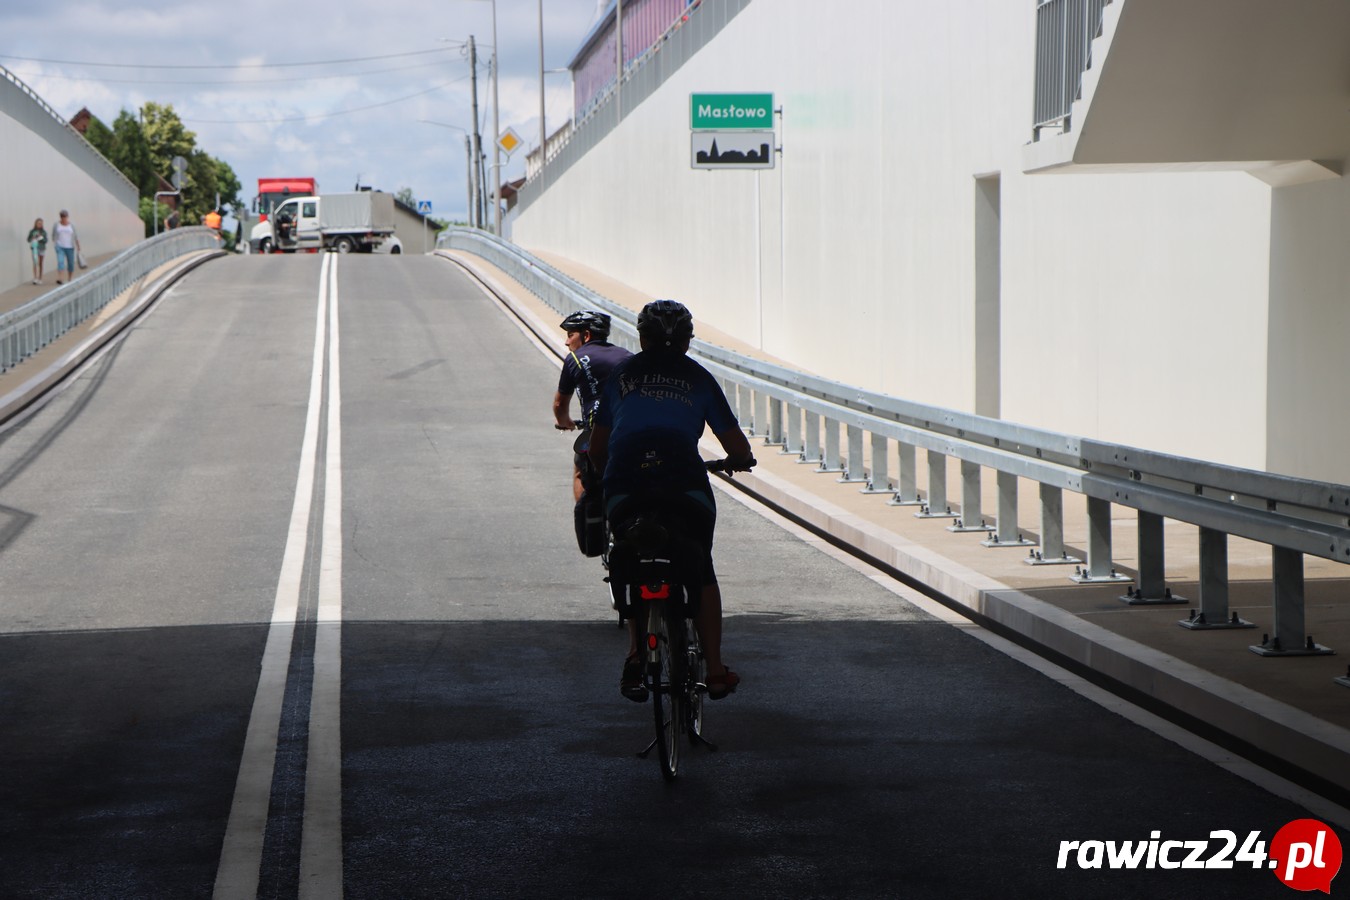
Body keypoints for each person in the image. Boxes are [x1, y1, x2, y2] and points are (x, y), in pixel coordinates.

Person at [589, 299, 755, 702]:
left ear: (642, 338)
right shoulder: (698, 378)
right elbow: (736, 444)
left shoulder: (622, 375)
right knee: (701, 568)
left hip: (627, 480)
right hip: (682, 480)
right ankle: (714, 671)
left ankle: (634, 656)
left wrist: (605, 473)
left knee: (632, 554)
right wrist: (738, 460)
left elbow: (597, 448)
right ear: (687, 342)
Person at [552, 311, 632, 502]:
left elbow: (559, 404)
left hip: (597, 429)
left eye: (570, 335)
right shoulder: (628, 356)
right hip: (630, 428)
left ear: (586, 335)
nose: (566, 342)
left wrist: (567, 423)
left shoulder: (576, 358)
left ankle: (585, 523)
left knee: (581, 472)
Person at [50, 210, 80, 285]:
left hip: (70, 246)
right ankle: (60, 278)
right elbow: (53, 234)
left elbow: (76, 236)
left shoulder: (71, 225)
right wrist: (55, 242)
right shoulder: (57, 225)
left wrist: (78, 245)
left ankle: (70, 278)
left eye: (65, 216)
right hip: (60, 246)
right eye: (62, 216)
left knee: (70, 263)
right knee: (60, 262)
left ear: (67, 217)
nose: (64, 218)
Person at [26, 218, 46, 284]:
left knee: (40, 263)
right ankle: (35, 278)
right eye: (38, 223)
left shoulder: (43, 232)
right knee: (35, 262)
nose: (39, 225)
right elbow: (28, 239)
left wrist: (41, 237)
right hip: (34, 248)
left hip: (41, 248)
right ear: (36, 224)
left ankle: (40, 278)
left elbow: (45, 240)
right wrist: (32, 238)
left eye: (40, 223)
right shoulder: (32, 231)